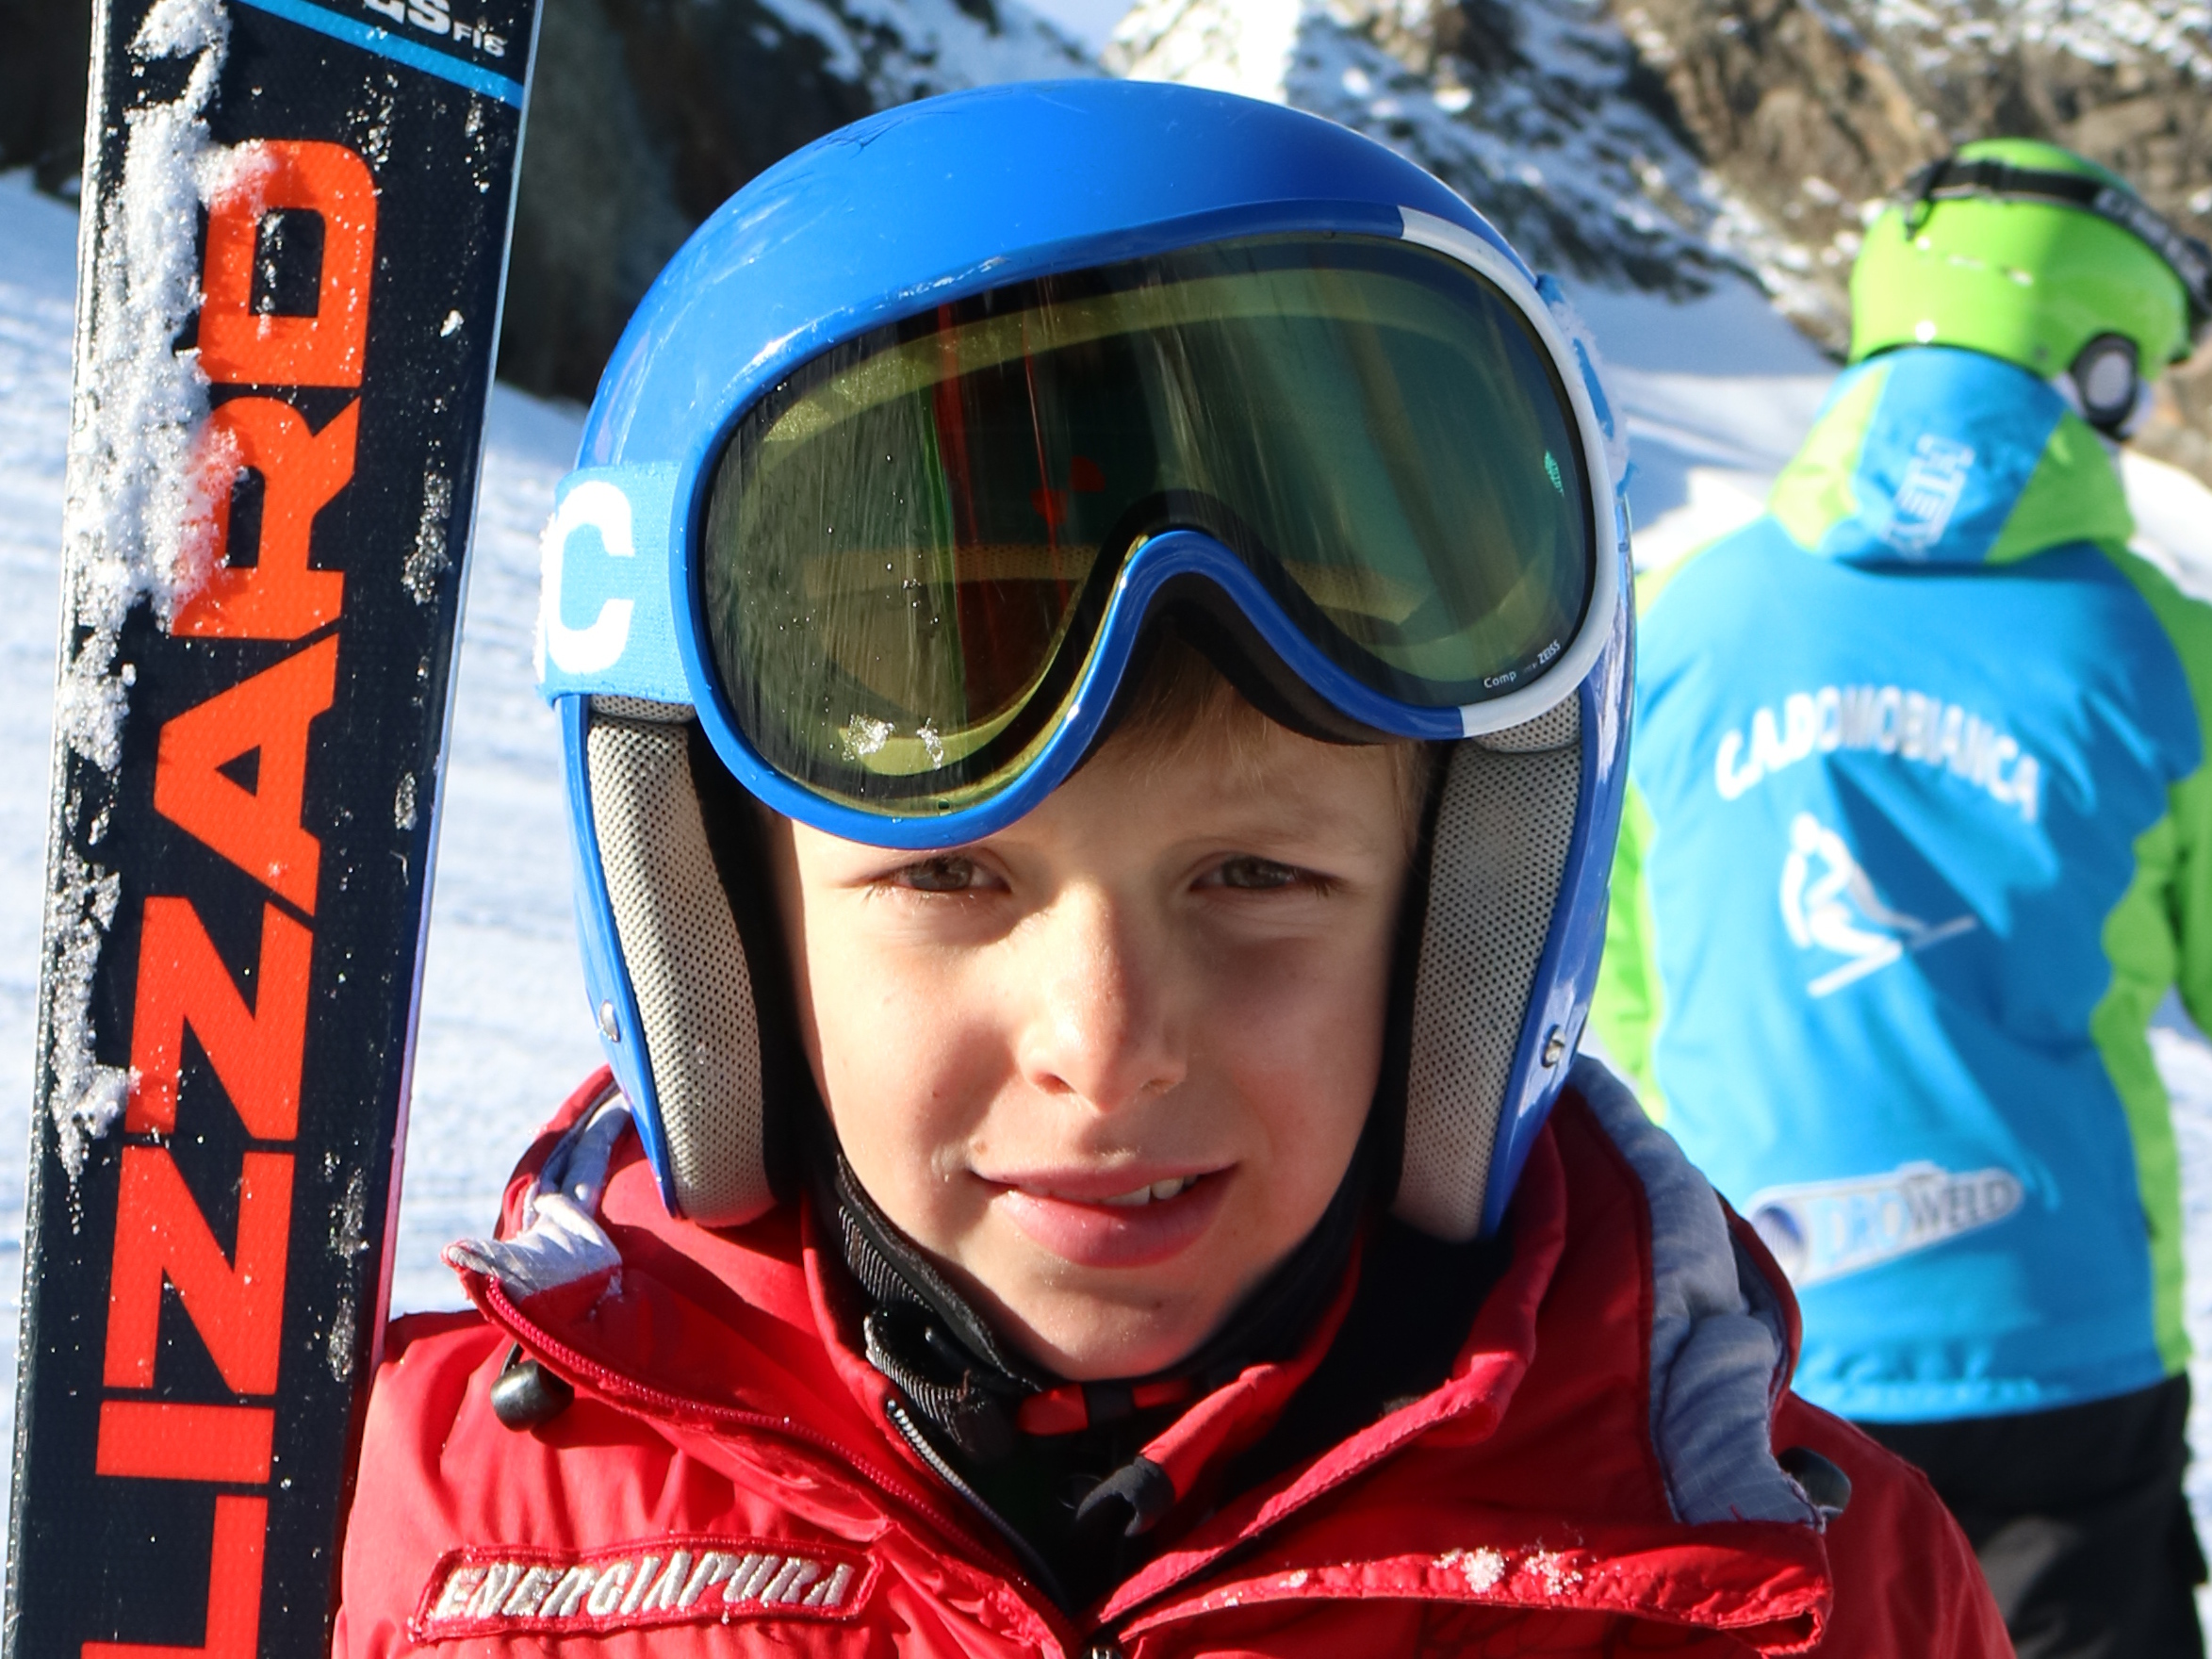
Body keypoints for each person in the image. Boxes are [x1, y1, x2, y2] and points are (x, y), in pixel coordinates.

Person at [333, 81, 2003, 1655]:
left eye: (1256, 878)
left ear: (1460, 932)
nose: (1109, 1045)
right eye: (950, 879)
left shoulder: (1815, 1593)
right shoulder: (422, 1538)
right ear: (731, 939)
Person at [1593, 137, 2212, 1654]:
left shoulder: (1683, 621)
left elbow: (1626, 994)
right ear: (2104, 362)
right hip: (2064, 1346)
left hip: (1754, 1345)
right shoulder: (2162, 650)